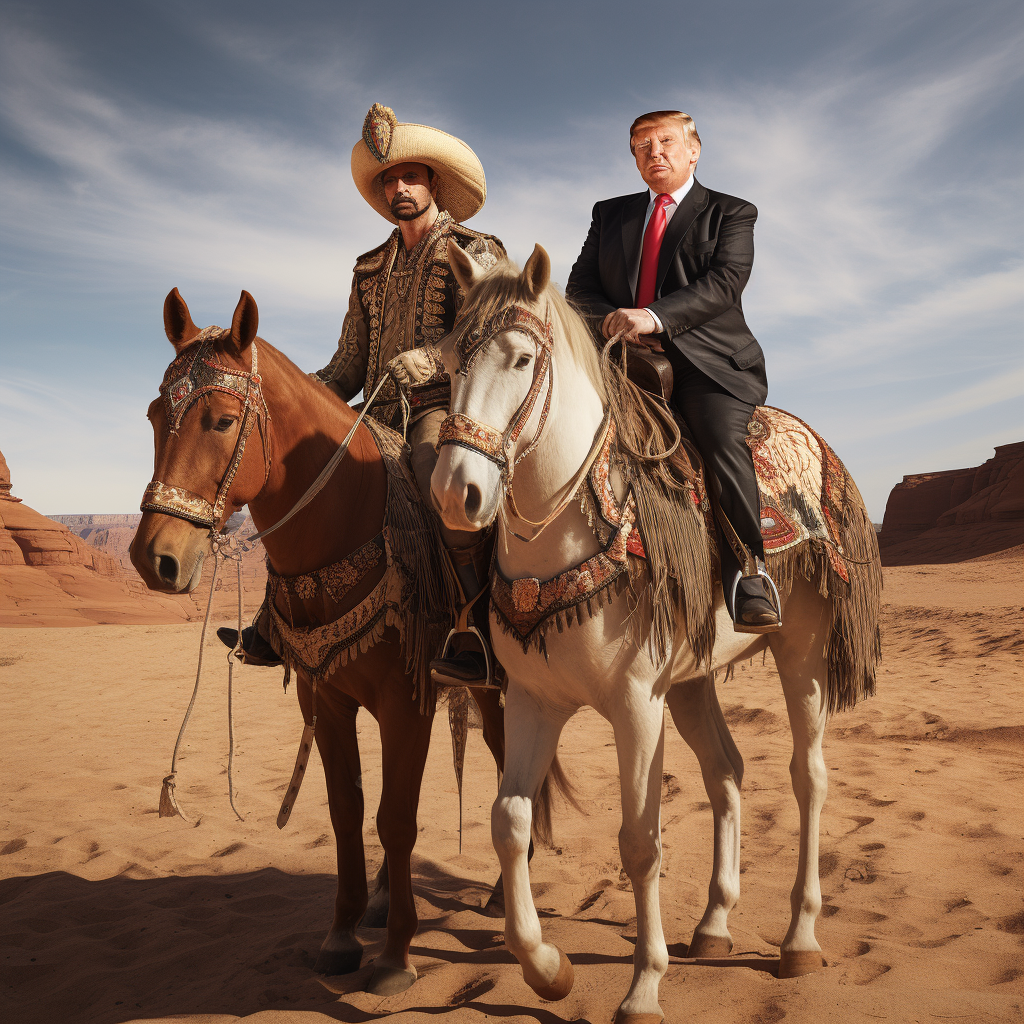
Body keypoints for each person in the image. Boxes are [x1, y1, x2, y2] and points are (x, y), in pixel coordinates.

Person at [222, 103, 506, 681]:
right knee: (295, 470)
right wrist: (300, 395)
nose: (398, 188)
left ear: (434, 183)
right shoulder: (368, 267)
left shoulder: (476, 249)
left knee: (440, 480)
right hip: (372, 411)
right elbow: (350, 362)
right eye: (388, 182)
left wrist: (431, 359)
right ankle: (276, 622)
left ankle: (472, 625)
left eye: (410, 177)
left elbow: (492, 334)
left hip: (443, 409)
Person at [565, 109, 780, 632]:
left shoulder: (731, 212)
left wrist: (654, 316)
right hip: (619, 361)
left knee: (718, 439)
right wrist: (614, 322)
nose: (653, 153)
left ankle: (747, 570)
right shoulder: (609, 214)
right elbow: (580, 289)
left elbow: (726, 282)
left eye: (665, 142)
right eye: (641, 146)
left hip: (707, 363)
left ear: (693, 149)